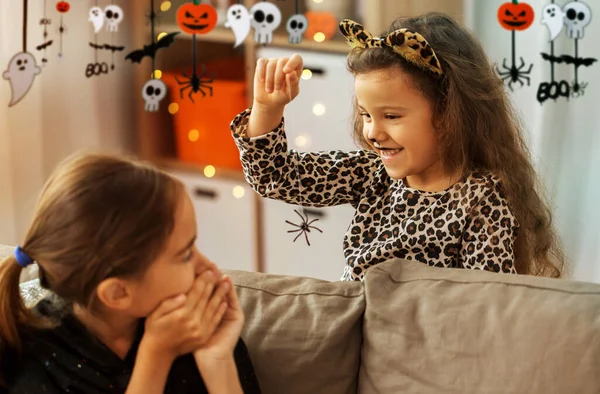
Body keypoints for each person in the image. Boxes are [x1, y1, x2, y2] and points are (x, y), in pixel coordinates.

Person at [230, 12, 565, 281]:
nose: (373, 131)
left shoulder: (481, 199)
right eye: (365, 115)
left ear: (449, 113)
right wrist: (267, 110)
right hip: (356, 330)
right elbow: (275, 177)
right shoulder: (371, 174)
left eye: (391, 116)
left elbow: (485, 306)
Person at [0, 152, 261, 393]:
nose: (208, 267)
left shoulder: (201, 328)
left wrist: (219, 360)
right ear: (117, 293)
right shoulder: (34, 362)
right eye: (185, 254)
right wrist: (156, 356)